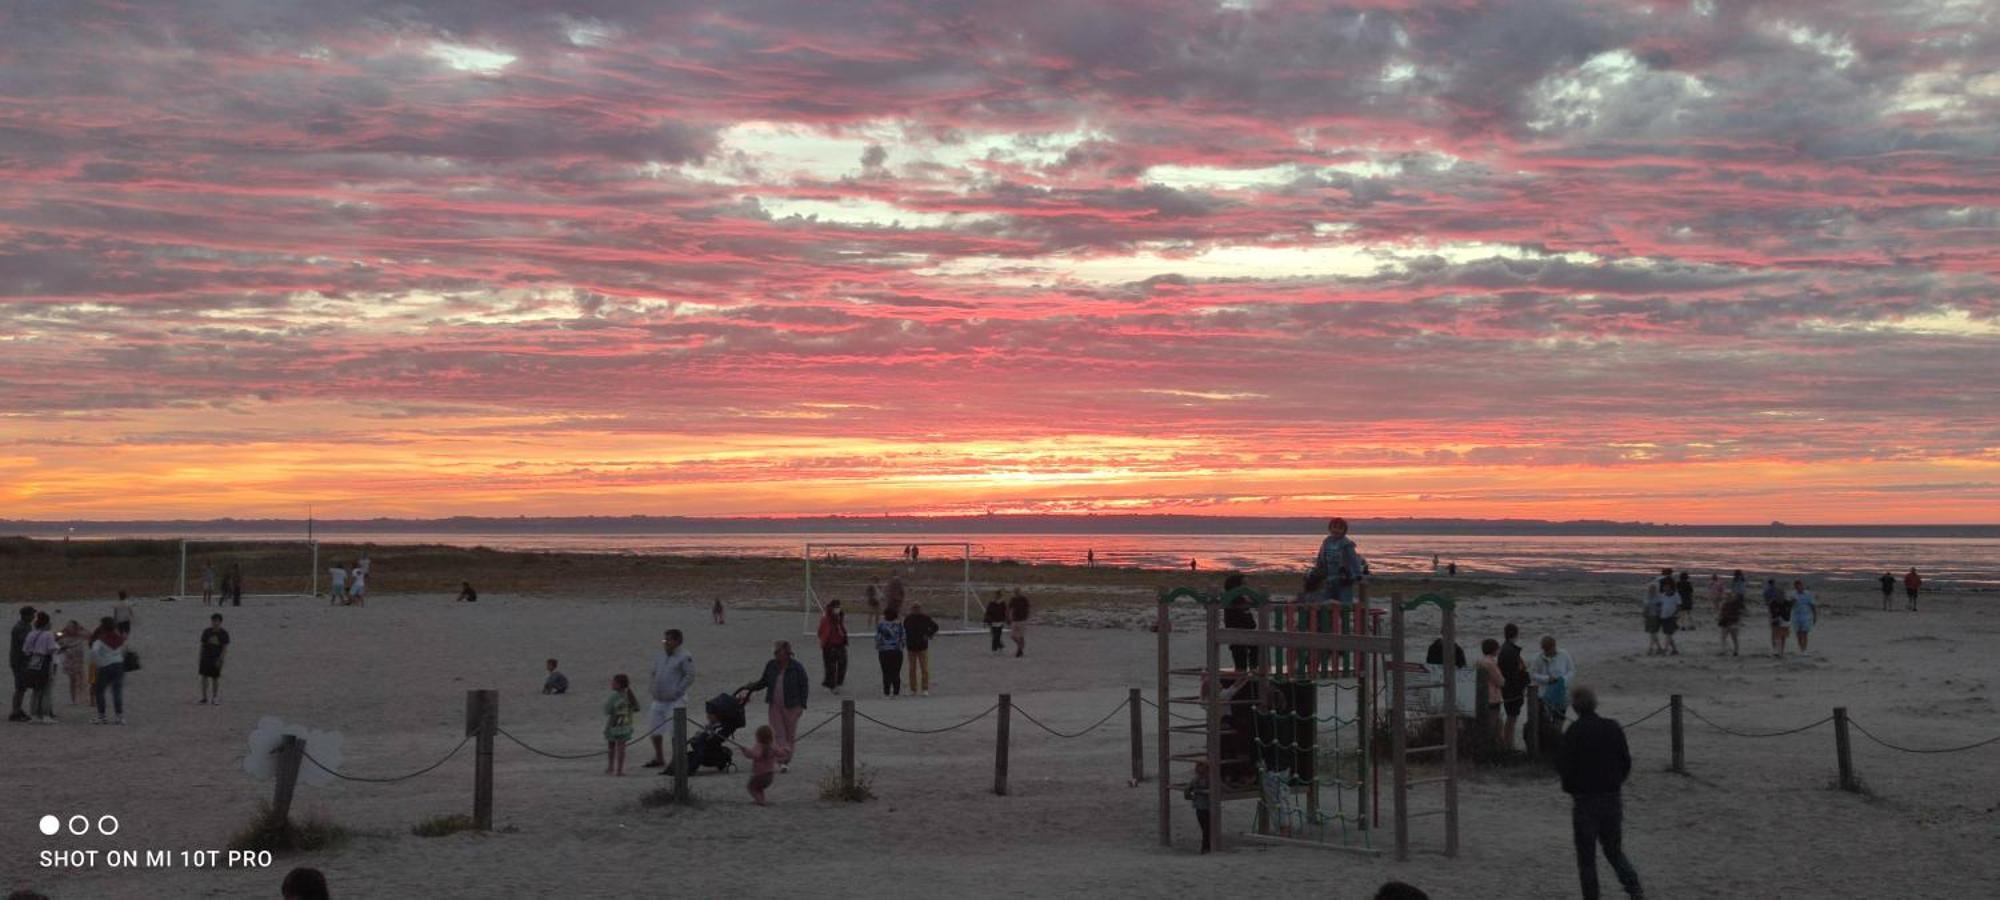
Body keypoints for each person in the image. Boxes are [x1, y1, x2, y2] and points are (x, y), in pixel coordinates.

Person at [1556, 686, 1643, 899]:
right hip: (1611, 797)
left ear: (1575, 707)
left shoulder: (1574, 732)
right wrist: (1615, 783)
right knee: (1614, 850)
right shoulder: (1612, 727)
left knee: (1586, 857)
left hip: (1585, 800)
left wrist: (1571, 788)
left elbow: (1565, 767)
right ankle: (1634, 887)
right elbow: (1625, 761)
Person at [737, 640, 809, 762]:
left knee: (789, 734)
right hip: (774, 704)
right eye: (774, 652)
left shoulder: (797, 667)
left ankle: (786, 758)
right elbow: (763, 681)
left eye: (778, 651)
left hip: (792, 705)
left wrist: (802, 705)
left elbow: (804, 686)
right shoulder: (771, 665)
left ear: (786, 652)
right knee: (778, 733)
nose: (775, 654)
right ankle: (782, 758)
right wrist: (750, 687)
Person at [644, 629, 695, 769]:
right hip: (658, 698)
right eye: (665, 639)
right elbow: (654, 672)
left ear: (678, 641)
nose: (665, 642)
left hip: (675, 700)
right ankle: (659, 757)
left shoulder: (685, 656)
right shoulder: (660, 655)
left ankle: (677, 759)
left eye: (669, 640)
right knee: (654, 729)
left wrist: (678, 690)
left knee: (675, 731)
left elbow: (690, 675)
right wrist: (652, 688)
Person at [1311, 517, 1366, 606]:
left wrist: (1358, 575)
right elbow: (1321, 556)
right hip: (1328, 578)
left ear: (1344, 531)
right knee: (1325, 602)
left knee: (1345, 603)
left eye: (1340, 528)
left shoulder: (1346, 544)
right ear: (1330, 528)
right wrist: (1318, 569)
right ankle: (1329, 619)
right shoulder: (1326, 541)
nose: (1336, 530)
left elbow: (1353, 560)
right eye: (1334, 527)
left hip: (1344, 578)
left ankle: (1344, 618)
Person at [89, 617, 128, 725]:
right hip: (118, 665)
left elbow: (94, 651)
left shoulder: (100, 640)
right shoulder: (119, 638)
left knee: (100, 691)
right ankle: (119, 716)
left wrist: (99, 663)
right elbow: (124, 650)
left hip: (105, 666)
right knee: (117, 691)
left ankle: (102, 716)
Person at [738, 724, 789, 805]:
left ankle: (759, 801)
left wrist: (745, 750)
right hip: (770, 775)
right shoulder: (773, 746)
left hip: (759, 774)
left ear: (758, 736)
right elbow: (781, 753)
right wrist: (786, 750)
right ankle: (762, 799)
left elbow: (754, 755)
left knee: (751, 787)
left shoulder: (759, 746)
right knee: (759, 788)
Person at [1497, 624, 1530, 751]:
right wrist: (1523, 683)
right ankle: (1508, 745)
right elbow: (1515, 673)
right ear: (1516, 634)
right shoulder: (1511, 651)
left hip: (1508, 689)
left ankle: (1507, 743)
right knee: (1512, 718)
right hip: (1513, 690)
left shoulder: (1504, 649)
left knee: (1511, 717)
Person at [1530, 635, 1576, 724]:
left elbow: (1571, 670)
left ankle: (1557, 735)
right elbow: (1532, 675)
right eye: (1545, 650)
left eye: (1549, 650)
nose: (1547, 652)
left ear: (1554, 646)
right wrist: (1547, 679)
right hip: (1543, 694)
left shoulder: (1564, 654)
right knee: (1544, 721)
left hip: (1561, 693)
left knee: (1559, 720)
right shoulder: (1537, 658)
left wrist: (1563, 680)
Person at [22, 612, 57, 723]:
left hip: (33, 662)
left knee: (36, 690)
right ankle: (46, 715)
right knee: (46, 689)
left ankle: (34, 715)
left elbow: (25, 650)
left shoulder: (31, 634)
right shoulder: (48, 634)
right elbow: (51, 649)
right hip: (45, 662)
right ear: (47, 623)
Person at [603, 673, 639, 775]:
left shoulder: (614, 697)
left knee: (611, 746)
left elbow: (607, 710)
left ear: (619, 685)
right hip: (625, 726)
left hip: (613, 725)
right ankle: (619, 769)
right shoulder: (630, 696)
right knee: (621, 748)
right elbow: (637, 708)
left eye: (613, 682)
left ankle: (611, 767)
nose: (611, 684)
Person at [1222, 573, 1257, 672]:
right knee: (1240, 657)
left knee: (1256, 649)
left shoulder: (1244, 598)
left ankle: (1253, 669)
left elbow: (1250, 616)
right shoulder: (1232, 599)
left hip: (1249, 631)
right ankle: (1242, 673)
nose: (1246, 588)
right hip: (1237, 633)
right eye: (1244, 584)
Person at [903, 603, 939, 696]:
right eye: (914, 608)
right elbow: (905, 630)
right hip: (911, 647)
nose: (916, 610)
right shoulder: (908, 619)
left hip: (923, 647)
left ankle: (925, 688)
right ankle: (913, 689)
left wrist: (928, 634)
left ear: (921, 609)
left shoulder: (925, 618)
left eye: (917, 608)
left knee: (924, 669)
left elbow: (935, 627)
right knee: (912, 669)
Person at [1474, 638, 1503, 748]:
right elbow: (1500, 681)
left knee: (1484, 723)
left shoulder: (1479, 661)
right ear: (1494, 650)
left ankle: (1484, 744)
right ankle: (1491, 747)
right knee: (1493, 724)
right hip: (1492, 697)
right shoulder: (1491, 663)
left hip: (1480, 697)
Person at [817, 599, 849, 694]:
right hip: (829, 645)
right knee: (830, 666)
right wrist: (824, 640)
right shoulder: (826, 618)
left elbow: (842, 628)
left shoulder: (840, 618)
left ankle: (837, 682)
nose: (838, 609)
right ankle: (832, 685)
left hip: (840, 644)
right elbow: (821, 631)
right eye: (836, 607)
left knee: (842, 664)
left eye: (838, 607)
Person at [197, 614, 229, 706]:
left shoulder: (224, 633)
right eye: (213, 621)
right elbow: (202, 645)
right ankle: (204, 698)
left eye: (217, 621)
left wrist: (221, 659)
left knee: (215, 679)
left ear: (220, 622)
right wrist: (200, 657)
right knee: (204, 678)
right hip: (206, 658)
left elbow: (224, 648)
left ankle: (215, 697)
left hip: (216, 659)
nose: (215, 623)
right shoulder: (206, 632)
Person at [9, 605, 33, 722]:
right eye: (31, 614)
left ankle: (18, 709)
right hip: (19, 661)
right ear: (25, 615)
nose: (33, 616)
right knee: (20, 687)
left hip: (21, 661)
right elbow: (25, 643)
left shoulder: (26, 626)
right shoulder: (20, 628)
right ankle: (15, 711)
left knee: (22, 687)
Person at [875, 608, 906, 697]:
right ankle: (896, 692)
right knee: (896, 672)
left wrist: (879, 647)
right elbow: (903, 637)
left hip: (884, 651)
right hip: (897, 651)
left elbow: (878, 638)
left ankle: (887, 692)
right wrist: (901, 646)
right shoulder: (899, 625)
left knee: (886, 672)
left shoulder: (881, 625)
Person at [57, 620, 88, 706]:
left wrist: (82, 628)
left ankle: (82, 698)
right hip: (70, 662)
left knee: (82, 680)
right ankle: (74, 699)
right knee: (73, 680)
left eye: (71, 626)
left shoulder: (80, 635)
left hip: (79, 660)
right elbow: (55, 638)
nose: (69, 628)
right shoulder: (64, 636)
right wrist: (62, 631)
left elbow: (90, 635)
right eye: (68, 626)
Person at [1184, 760, 1213, 853]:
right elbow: (1220, 786)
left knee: (1205, 828)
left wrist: (1191, 797)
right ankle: (1205, 847)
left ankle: (1205, 847)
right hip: (1207, 807)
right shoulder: (1210, 779)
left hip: (1199, 808)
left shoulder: (1195, 780)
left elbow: (1186, 790)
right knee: (1207, 828)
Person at [1653, 575, 1680, 656]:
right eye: (1664, 586)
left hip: (1671, 617)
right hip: (1663, 617)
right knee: (1668, 634)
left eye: (1667, 586)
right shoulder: (1662, 595)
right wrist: (1658, 613)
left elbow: (1678, 606)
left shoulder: (1676, 595)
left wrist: (1675, 615)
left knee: (1668, 634)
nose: (1666, 588)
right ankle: (1675, 650)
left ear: (1671, 586)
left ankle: (1665, 649)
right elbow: (1659, 605)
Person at [1766, 580, 1793, 658]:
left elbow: (1790, 609)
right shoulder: (1773, 603)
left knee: (1783, 636)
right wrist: (1773, 619)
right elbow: (1771, 612)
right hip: (1776, 620)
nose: (1780, 595)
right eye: (1778, 594)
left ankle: (1781, 651)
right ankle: (1776, 651)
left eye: (1781, 593)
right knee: (1776, 635)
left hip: (1785, 621)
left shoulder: (1787, 602)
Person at [1790, 580, 1818, 655]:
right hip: (1796, 616)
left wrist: (1815, 616)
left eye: (1799, 586)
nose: (1798, 588)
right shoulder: (1793, 594)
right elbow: (1789, 606)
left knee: (1804, 633)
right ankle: (1801, 648)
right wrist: (1792, 602)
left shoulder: (1808, 594)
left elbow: (1813, 606)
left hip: (1806, 616)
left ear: (1802, 586)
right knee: (1798, 634)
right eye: (1796, 586)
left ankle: (1804, 650)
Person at [1717, 588, 1744, 656]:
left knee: (1724, 637)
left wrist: (1719, 618)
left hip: (1726, 622)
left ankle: (1724, 650)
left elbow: (1721, 613)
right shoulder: (1735, 603)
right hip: (1734, 622)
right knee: (1734, 638)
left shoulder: (1724, 603)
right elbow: (1741, 612)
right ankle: (1735, 650)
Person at [1642, 578, 1664, 656]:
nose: (1651, 590)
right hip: (1649, 617)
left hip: (1655, 617)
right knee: (1652, 634)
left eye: (1653, 589)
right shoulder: (1647, 597)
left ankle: (1651, 649)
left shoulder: (1658, 598)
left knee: (1653, 633)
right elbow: (1645, 608)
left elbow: (1660, 608)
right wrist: (1644, 614)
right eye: (1651, 588)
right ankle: (1658, 648)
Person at [1007, 589, 1031, 658]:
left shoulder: (1024, 599)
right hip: (1015, 619)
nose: (1017, 594)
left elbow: (1028, 607)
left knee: (1021, 636)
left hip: (1022, 620)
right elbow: (1009, 608)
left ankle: (1019, 650)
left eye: (1018, 592)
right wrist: (1008, 618)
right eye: (1016, 592)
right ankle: (1019, 646)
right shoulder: (1013, 599)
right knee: (1013, 636)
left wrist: (1027, 616)